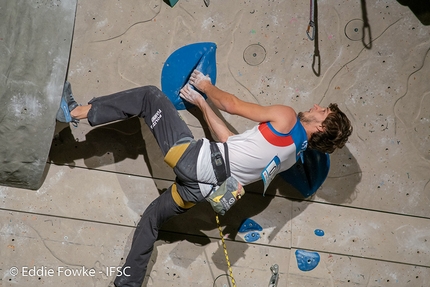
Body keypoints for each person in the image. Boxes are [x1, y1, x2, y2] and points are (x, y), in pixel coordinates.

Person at [56, 69, 352, 287]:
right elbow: (231, 144)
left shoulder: (287, 118)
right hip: (201, 191)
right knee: (152, 219)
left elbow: (232, 104)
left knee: (149, 97)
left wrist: (207, 86)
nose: (315, 107)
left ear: (322, 127)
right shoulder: (290, 158)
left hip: (193, 162)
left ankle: (73, 111)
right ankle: (127, 284)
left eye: (322, 111)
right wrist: (201, 104)